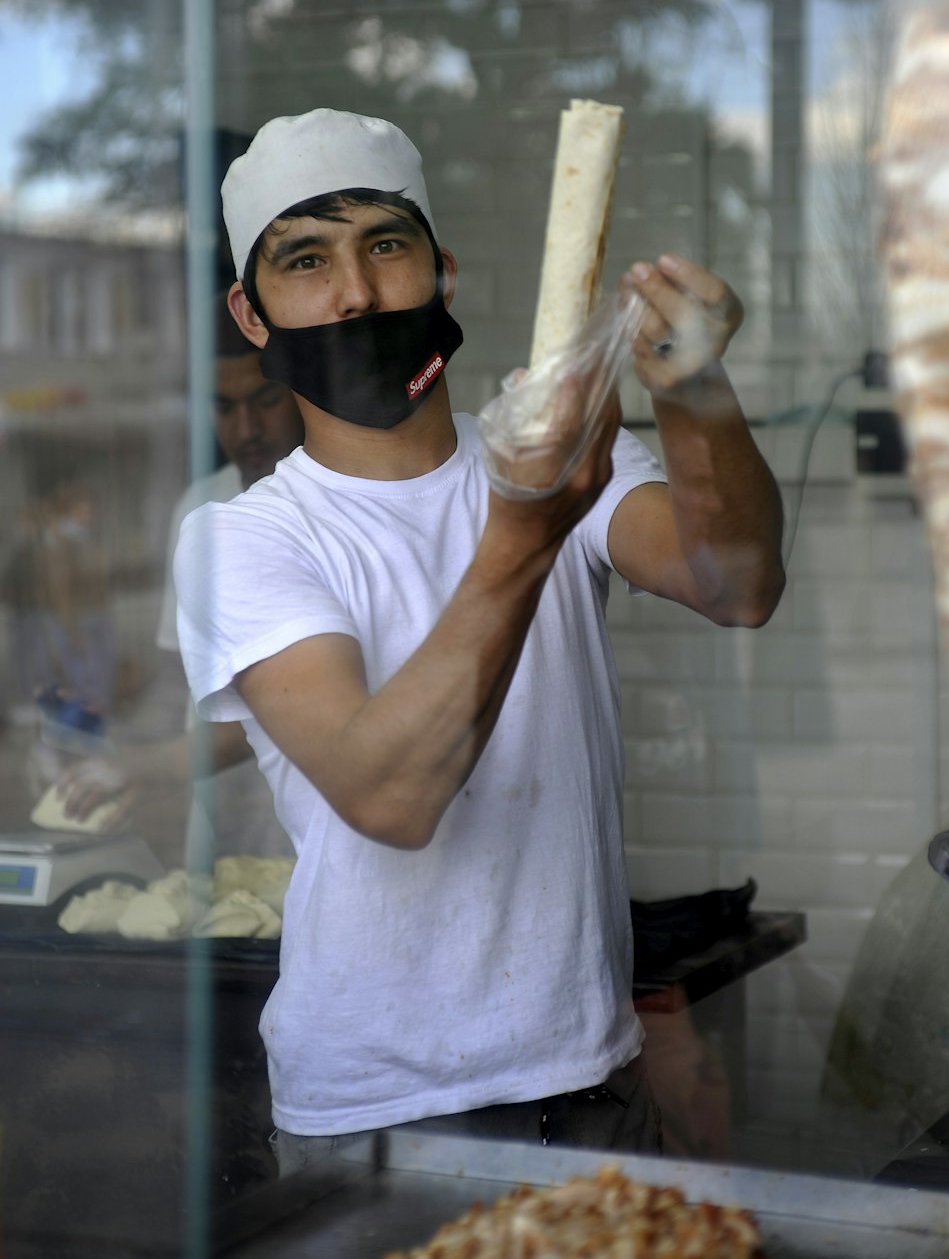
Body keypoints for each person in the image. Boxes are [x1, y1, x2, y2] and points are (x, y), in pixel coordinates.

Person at [173, 107, 785, 1167]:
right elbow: (389, 795)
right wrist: (523, 525)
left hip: (588, 1072)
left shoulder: (555, 456)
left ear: (441, 272)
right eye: (306, 260)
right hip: (376, 1112)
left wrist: (691, 391)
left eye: (386, 245)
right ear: (252, 312)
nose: (356, 293)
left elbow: (734, 583)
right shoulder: (242, 539)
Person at [56, 293, 303, 860]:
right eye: (223, 406)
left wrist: (146, 763)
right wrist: (103, 735)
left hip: (323, 832)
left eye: (265, 400)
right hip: (225, 833)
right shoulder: (202, 506)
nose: (246, 427)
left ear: (301, 390)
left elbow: (291, 704)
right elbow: (182, 682)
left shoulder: (341, 507)